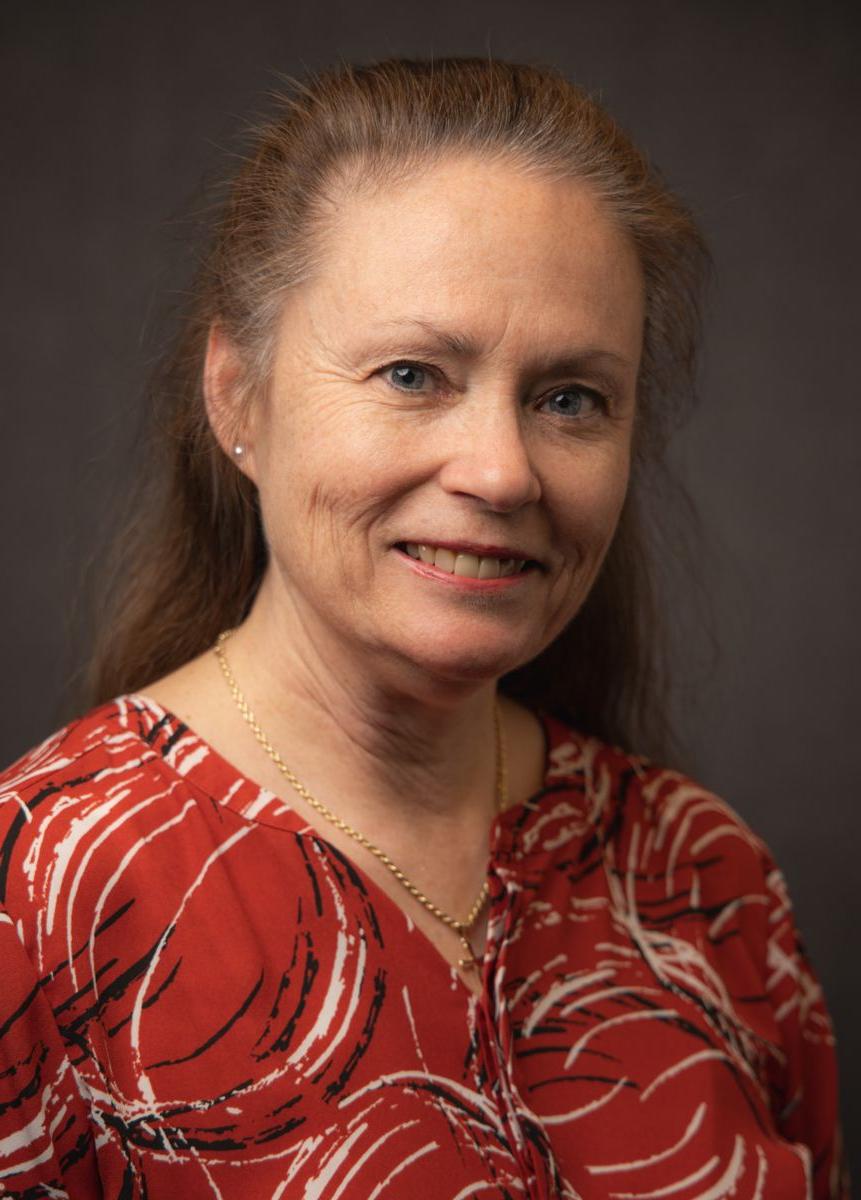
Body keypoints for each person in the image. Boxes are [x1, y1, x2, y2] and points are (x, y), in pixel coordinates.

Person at [0, 57, 848, 1199]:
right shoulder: (43, 898)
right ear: (237, 397)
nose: (501, 472)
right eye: (412, 373)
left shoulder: (704, 874)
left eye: (569, 399)